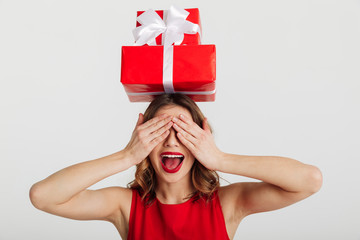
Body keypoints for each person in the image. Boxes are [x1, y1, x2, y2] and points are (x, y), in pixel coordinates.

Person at [29, 93, 323, 240]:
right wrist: (127, 156)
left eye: (183, 132)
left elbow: (309, 179)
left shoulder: (227, 203)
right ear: (143, 140)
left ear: (200, 141)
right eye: (159, 132)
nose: (171, 142)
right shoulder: (124, 205)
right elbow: (43, 196)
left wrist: (220, 159)